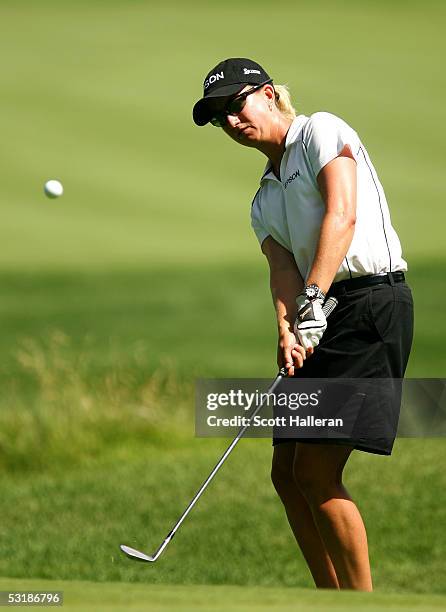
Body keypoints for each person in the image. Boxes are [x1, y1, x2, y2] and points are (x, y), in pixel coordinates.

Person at [192, 58, 413, 591]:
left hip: (368, 306)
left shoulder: (321, 130)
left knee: (315, 471)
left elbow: (343, 215)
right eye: (219, 116)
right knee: (287, 474)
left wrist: (313, 301)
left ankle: (362, 604)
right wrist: (288, 328)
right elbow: (281, 271)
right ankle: (328, 597)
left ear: (268, 94)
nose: (230, 121)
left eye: (235, 104)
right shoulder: (264, 198)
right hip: (323, 316)